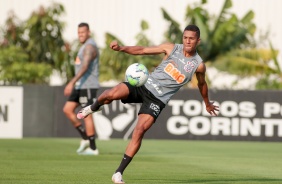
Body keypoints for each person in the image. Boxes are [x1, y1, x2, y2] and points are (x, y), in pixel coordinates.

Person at [77, 25, 219, 183]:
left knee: (139, 130)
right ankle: (92, 108)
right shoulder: (171, 48)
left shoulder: (198, 65)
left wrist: (207, 103)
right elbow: (142, 50)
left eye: (191, 38)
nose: (187, 41)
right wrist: (121, 48)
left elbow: (202, 84)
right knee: (110, 94)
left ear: (198, 40)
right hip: (143, 85)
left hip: (157, 100)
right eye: (185, 37)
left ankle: (118, 173)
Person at [63, 22, 100, 155]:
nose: (80, 35)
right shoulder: (84, 46)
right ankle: (84, 138)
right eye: (79, 33)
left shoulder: (90, 46)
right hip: (80, 86)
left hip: (88, 86)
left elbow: (85, 67)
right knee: (67, 109)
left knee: (87, 115)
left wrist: (71, 82)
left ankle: (93, 148)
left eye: (83, 32)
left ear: (88, 32)